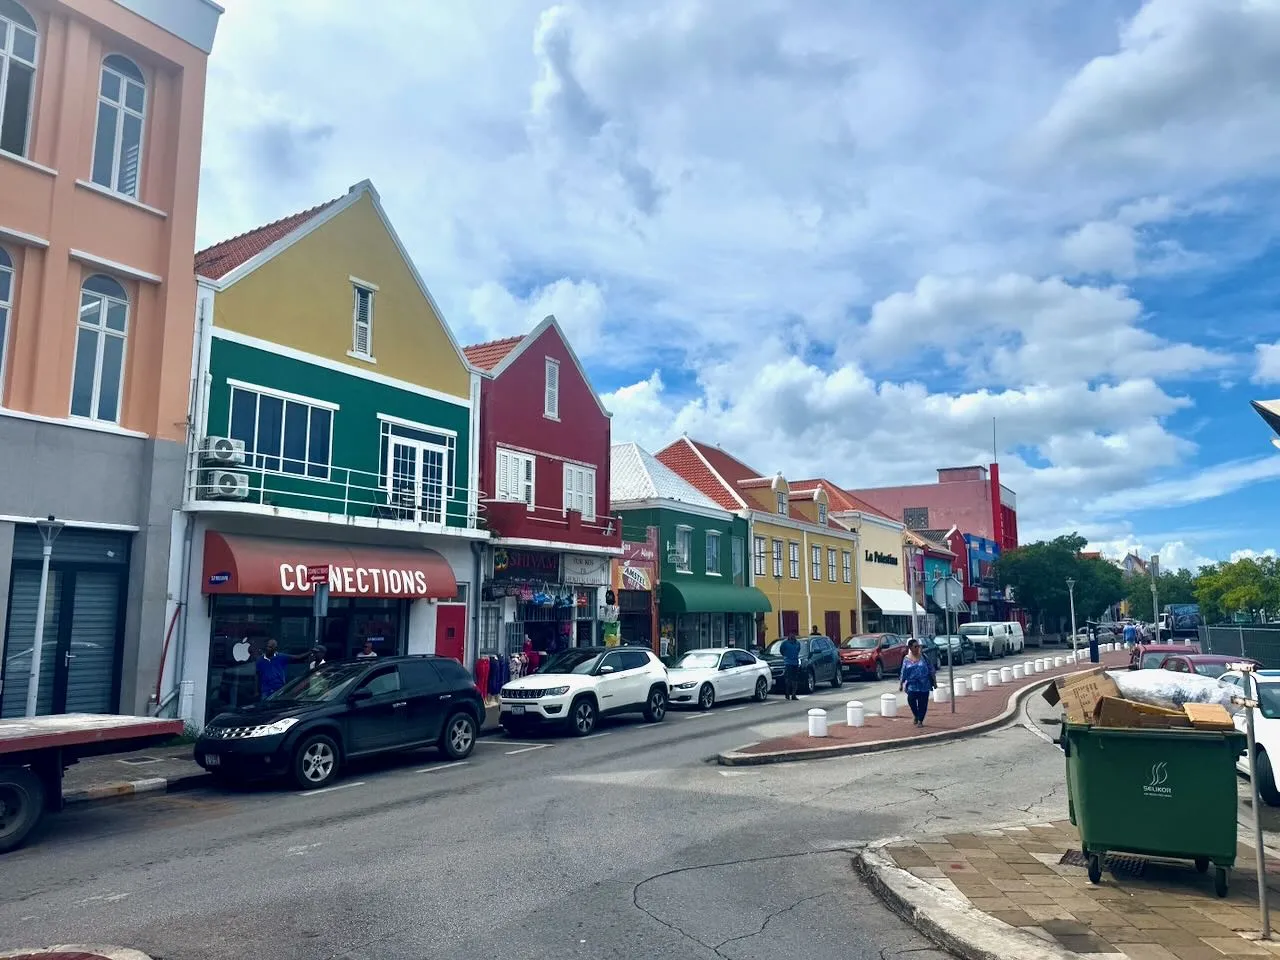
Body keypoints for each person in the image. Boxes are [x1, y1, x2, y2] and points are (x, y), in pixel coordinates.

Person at [900, 638, 936, 727]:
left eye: (918, 646)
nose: (917, 648)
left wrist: (934, 682)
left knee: (923, 703)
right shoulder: (906, 659)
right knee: (911, 700)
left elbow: (931, 669)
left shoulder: (923, 657)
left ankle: (920, 720)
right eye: (915, 646)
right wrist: (901, 683)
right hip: (912, 685)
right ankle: (916, 715)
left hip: (924, 684)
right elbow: (903, 671)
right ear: (910, 648)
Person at [780, 632, 802, 700]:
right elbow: (781, 651)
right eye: (791, 634)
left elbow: (798, 650)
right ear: (789, 635)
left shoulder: (797, 643)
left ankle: (793, 695)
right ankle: (787, 694)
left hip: (795, 663)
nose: (793, 635)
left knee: (795, 680)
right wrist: (786, 656)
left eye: (794, 634)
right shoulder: (785, 643)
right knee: (788, 680)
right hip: (788, 663)